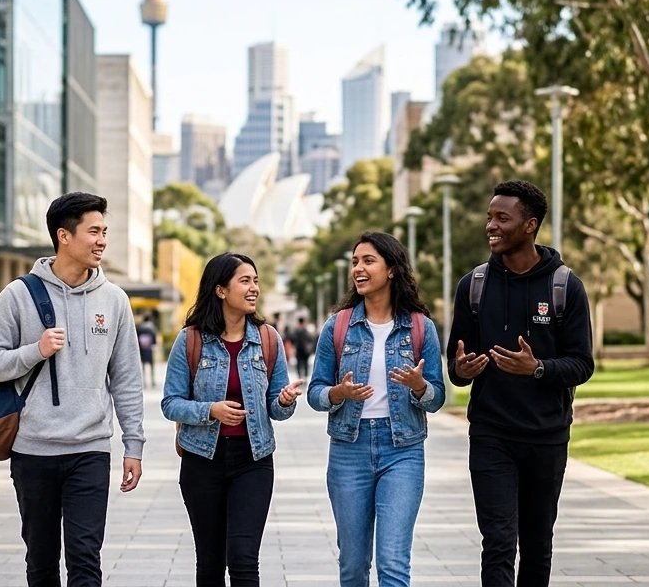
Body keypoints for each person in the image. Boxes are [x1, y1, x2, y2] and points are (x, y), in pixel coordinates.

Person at [0, 192, 146, 587]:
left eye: (105, 231)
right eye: (94, 231)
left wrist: (133, 445)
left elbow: (126, 378)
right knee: (41, 560)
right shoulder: (18, 295)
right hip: (33, 449)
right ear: (64, 236)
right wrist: (35, 351)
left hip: (90, 448)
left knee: (86, 558)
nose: (102, 240)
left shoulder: (115, 300)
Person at [448, 181, 594, 587]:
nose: (490, 226)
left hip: (547, 437)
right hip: (491, 434)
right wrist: (463, 369)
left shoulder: (565, 286)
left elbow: (582, 364)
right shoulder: (473, 286)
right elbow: (455, 369)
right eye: (489, 217)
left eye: (501, 218)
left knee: (536, 544)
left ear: (530, 225)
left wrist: (537, 369)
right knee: (497, 542)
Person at [307, 231, 445, 587]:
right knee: (353, 565)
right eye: (355, 262)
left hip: (403, 451)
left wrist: (419, 387)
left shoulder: (419, 326)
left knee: (393, 562)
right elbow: (315, 392)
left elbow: (438, 396)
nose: (359, 268)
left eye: (368, 261)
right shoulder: (337, 326)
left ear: (392, 269)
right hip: (348, 451)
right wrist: (338, 393)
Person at [163, 253, 303, 587]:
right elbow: (170, 403)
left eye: (255, 281)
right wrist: (210, 411)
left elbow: (276, 409)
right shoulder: (192, 340)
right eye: (245, 281)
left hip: (253, 461)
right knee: (210, 563)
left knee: (243, 559)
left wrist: (283, 401)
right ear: (220, 290)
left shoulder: (267, 339)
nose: (254, 288)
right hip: (202, 460)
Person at [136, 314, 159, 388]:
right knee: (151, 365)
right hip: (149, 349)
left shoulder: (140, 328)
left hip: (142, 349)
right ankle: (152, 380)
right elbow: (154, 339)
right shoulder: (151, 328)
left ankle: (144, 381)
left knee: (143, 366)